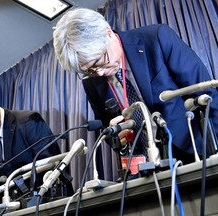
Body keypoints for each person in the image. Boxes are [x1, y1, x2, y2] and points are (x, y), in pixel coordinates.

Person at [53, 8, 218, 165]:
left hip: (196, 149)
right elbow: (107, 129)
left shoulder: (157, 38)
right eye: (89, 70)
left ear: (108, 34)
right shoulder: (90, 82)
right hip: (147, 165)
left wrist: (214, 149)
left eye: (98, 62)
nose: (101, 73)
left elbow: (206, 95)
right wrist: (117, 138)